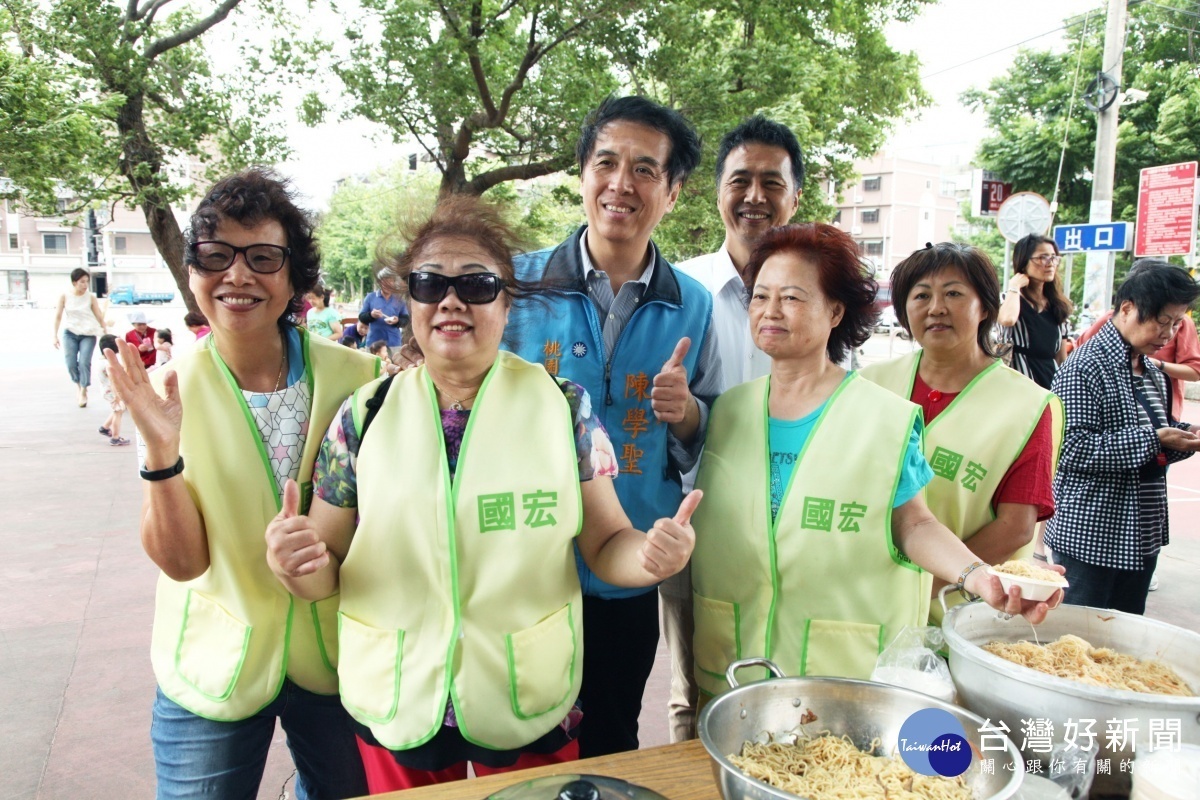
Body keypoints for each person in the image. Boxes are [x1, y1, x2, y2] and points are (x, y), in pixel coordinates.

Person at [263, 196, 700, 791]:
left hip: (525, 692)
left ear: (507, 300)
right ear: (407, 298)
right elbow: (326, 567)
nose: (450, 300)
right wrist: (297, 566)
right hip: (399, 695)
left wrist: (650, 556)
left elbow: (607, 543)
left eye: (476, 284)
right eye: (429, 283)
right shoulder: (364, 416)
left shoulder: (562, 407)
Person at [690, 223, 1061, 701]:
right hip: (732, 668)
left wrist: (977, 576)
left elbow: (914, 523)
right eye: (760, 297)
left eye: (793, 298)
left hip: (836, 672)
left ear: (835, 311)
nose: (770, 311)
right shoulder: (728, 411)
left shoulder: (886, 414)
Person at [103, 168, 378, 799]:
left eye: (263, 257)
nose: (238, 275)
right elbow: (181, 563)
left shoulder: (360, 378)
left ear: (294, 275)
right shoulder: (167, 389)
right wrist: (160, 451)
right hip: (214, 662)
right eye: (215, 255)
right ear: (193, 270)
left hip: (339, 655)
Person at [503, 96, 720, 758]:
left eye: (646, 169)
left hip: (627, 566)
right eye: (607, 162)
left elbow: (698, 436)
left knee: (611, 735)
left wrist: (685, 412)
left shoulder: (692, 303)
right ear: (581, 173)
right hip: (525, 562)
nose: (622, 184)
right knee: (518, 734)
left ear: (674, 191)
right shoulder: (519, 284)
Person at [665, 115, 803, 742]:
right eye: (739, 180)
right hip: (697, 521)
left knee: (788, 681)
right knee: (696, 685)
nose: (754, 196)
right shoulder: (681, 290)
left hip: (794, 526)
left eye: (771, 182)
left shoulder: (817, 290)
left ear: (794, 196)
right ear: (716, 191)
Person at [861, 243, 1063, 623]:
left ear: (985, 306)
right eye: (921, 295)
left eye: (953, 293)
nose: (936, 307)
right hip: (864, 603)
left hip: (963, 612)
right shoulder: (869, 384)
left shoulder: (1028, 405)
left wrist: (925, 586)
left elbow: (1016, 527)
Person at [1046, 262, 1200, 615]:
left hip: (1142, 534)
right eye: (1162, 321)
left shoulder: (1152, 372)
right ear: (1127, 308)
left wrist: (1185, 436)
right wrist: (1156, 438)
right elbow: (1070, 448)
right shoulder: (1084, 366)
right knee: (1078, 644)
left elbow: (1155, 437)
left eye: (1177, 323)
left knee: (1124, 643)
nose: (1170, 333)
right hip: (1092, 536)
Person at [998, 234, 1073, 389]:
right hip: (1017, 386)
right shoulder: (1009, 299)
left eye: (1054, 258)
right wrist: (1014, 287)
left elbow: (1061, 358)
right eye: (1042, 258)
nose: (1050, 263)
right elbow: (1007, 319)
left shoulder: (1058, 305)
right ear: (1024, 262)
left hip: (1050, 385)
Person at [53, 267, 107, 407]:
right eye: (82, 282)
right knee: (70, 362)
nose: (85, 285)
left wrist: (105, 332)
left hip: (88, 334)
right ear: (74, 282)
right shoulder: (64, 296)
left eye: (87, 282)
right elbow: (58, 316)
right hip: (70, 332)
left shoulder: (90, 297)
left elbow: (98, 315)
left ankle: (83, 390)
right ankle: (78, 385)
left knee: (84, 362)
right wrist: (54, 335)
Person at [359, 271, 408, 355]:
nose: (387, 285)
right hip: (373, 341)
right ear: (380, 282)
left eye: (390, 282)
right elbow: (362, 317)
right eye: (385, 282)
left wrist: (397, 321)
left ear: (394, 283)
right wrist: (371, 315)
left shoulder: (399, 300)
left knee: (394, 366)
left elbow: (406, 320)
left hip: (394, 342)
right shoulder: (370, 297)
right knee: (373, 367)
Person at [97, 334, 130, 446]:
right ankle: (115, 437)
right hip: (112, 391)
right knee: (118, 412)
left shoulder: (101, 361)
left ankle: (105, 427)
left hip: (105, 390)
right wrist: (117, 396)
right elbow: (113, 380)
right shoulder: (108, 364)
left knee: (117, 410)